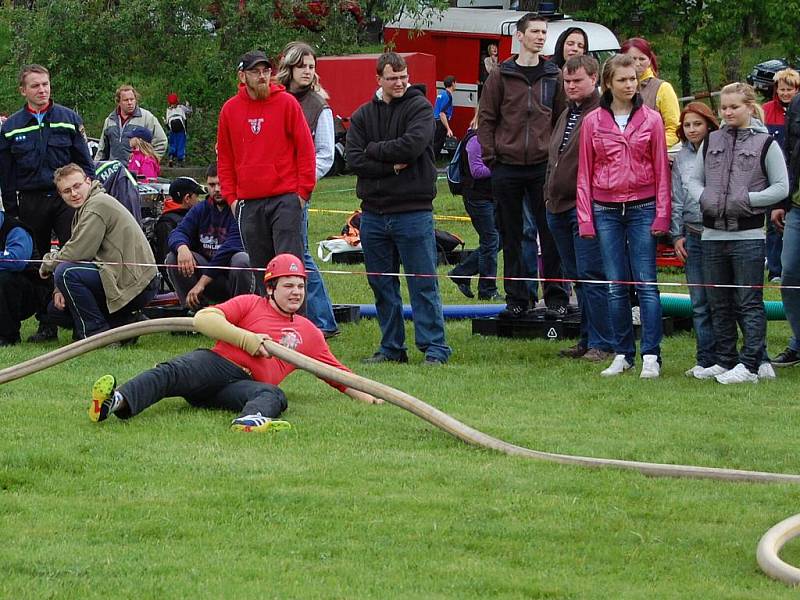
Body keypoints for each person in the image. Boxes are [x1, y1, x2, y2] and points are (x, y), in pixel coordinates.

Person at [88, 253, 380, 431]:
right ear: (270, 288)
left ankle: (249, 422)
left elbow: (339, 376)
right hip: (216, 366)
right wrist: (248, 339)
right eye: (288, 285)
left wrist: (376, 398)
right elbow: (204, 319)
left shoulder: (309, 332)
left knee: (274, 395)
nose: (296, 292)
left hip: (240, 387)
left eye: (301, 286)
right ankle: (114, 403)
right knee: (170, 372)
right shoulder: (250, 304)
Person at [346, 52, 451, 365]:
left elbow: (415, 145)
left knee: (423, 282)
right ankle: (392, 348)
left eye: (403, 76)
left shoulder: (419, 106)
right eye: (392, 78)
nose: (400, 83)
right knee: (381, 283)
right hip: (374, 214)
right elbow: (354, 159)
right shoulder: (363, 115)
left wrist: (374, 150)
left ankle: (435, 348)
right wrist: (391, 167)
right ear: (379, 79)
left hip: (413, 211)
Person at [686, 83, 789, 383]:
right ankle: (725, 359)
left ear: (748, 106)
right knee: (718, 301)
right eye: (724, 107)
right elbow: (693, 180)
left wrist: (747, 200)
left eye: (734, 107)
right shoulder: (712, 139)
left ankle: (752, 364)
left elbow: (781, 187)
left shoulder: (766, 143)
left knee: (748, 302)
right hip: (712, 234)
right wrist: (705, 197)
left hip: (749, 237)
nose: (728, 112)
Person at [576, 53, 671, 379]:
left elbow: (661, 169)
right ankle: (622, 353)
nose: (630, 85)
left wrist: (662, 214)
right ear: (608, 83)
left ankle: (651, 355)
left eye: (634, 79)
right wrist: (585, 218)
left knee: (646, 283)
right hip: (605, 209)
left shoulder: (652, 120)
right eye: (623, 80)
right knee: (616, 285)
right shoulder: (592, 122)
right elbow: (585, 174)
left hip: (643, 207)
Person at [478, 12, 569, 319]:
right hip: (507, 167)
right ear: (520, 36)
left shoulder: (553, 75)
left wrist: (557, 158)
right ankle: (518, 296)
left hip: (544, 167)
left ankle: (557, 296)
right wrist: (492, 157)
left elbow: (561, 119)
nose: (541, 36)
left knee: (552, 232)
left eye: (544, 32)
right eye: (535, 31)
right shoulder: (501, 75)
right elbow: (487, 118)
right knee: (513, 235)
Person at [0, 64, 96, 343]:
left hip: (67, 200)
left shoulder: (68, 119)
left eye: (45, 84)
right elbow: (6, 175)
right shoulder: (11, 127)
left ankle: (81, 322)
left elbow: (86, 166)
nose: (42, 90)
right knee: (38, 262)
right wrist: (13, 213)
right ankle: (47, 323)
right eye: (35, 86)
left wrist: (86, 200)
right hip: (30, 201)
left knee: (75, 258)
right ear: (23, 90)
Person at [217, 50, 315, 289]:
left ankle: (295, 324)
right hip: (249, 203)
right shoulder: (230, 110)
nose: (262, 76)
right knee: (262, 273)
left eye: (266, 71)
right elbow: (225, 159)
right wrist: (231, 198)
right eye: (255, 72)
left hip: (285, 199)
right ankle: (267, 323)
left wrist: (302, 194)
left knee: (290, 269)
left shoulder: (287, 103)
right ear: (242, 76)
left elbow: (306, 151)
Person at [39, 163, 159, 340]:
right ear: (60, 194)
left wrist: (47, 264)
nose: (73, 193)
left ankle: (96, 335)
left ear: (88, 181)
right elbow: (76, 252)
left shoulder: (98, 205)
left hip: (137, 284)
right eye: (66, 191)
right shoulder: (88, 205)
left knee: (66, 273)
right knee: (56, 311)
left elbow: (78, 253)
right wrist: (58, 289)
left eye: (77, 186)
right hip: (118, 278)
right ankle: (124, 325)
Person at [545, 55, 613, 363]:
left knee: (592, 275)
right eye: (567, 81)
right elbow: (554, 158)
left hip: (585, 207)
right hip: (557, 206)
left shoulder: (601, 115)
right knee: (576, 276)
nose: (571, 86)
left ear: (594, 79)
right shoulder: (566, 114)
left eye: (577, 81)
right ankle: (587, 338)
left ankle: (603, 341)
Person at [276, 41, 339, 337]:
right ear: (289, 68)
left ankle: (323, 322)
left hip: (295, 194)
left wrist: (300, 185)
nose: (307, 71)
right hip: (269, 191)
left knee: (300, 257)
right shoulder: (276, 100)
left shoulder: (318, 106)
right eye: (302, 66)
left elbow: (325, 156)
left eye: (312, 66)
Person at [669, 102, 719, 378]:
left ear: (709, 124)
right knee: (698, 301)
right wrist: (676, 234)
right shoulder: (681, 158)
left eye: (697, 124)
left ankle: (728, 356)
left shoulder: (720, 150)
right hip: (691, 232)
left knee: (722, 298)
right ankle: (704, 358)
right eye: (687, 125)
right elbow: (676, 197)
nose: (692, 130)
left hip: (718, 232)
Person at [166, 163, 254, 310]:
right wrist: (182, 248)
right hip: (210, 276)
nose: (217, 189)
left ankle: (241, 312)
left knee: (241, 260)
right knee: (173, 258)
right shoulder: (200, 209)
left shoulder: (241, 209)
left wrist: (201, 283)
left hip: (234, 276)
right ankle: (195, 310)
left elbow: (229, 250)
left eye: (221, 184)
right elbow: (177, 232)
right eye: (212, 185)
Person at [446, 114, 500, 301]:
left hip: (490, 196)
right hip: (477, 198)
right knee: (491, 240)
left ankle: (462, 272)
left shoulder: (491, 137)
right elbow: (476, 170)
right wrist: (501, 167)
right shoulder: (476, 139)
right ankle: (487, 289)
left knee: (497, 240)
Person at [762, 69, 800, 282]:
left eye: (789, 89)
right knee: (774, 224)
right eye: (781, 89)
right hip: (773, 173)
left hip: (792, 172)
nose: (785, 93)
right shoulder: (767, 109)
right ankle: (775, 269)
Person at [772, 88, 800, 366]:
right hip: (797, 206)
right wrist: (782, 200)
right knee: (790, 273)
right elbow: (789, 153)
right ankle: (799, 341)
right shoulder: (798, 103)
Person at [0, 204, 49, 345]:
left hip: (28, 293)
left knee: (4, 278)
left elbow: (17, 261)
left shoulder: (16, 229)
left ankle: (7, 336)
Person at [620, 37, 681, 147]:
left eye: (642, 59)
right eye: (632, 59)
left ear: (649, 60)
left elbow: (674, 130)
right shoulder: (613, 88)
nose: (637, 64)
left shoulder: (663, 88)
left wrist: (649, 146)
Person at [96, 84, 167, 164]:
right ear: (118, 102)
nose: (130, 103)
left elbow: (161, 141)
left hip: (137, 172)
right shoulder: (110, 120)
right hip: (114, 171)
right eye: (126, 100)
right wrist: (96, 167)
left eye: (132, 99)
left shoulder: (147, 117)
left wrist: (150, 161)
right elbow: (102, 148)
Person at [154, 176, 203, 268]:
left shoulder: (193, 216)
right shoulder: (167, 223)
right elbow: (165, 259)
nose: (199, 200)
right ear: (187, 198)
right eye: (197, 196)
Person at [165, 93, 192, 166]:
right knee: (181, 143)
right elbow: (189, 112)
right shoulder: (181, 107)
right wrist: (188, 105)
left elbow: (167, 122)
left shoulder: (168, 110)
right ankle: (181, 159)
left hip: (172, 129)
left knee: (172, 143)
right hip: (181, 129)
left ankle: (171, 157)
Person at [433, 76, 456, 158]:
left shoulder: (441, 94)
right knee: (438, 144)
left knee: (438, 142)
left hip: (435, 121)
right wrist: (448, 128)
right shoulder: (448, 96)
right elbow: (442, 113)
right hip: (441, 122)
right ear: (453, 83)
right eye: (455, 83)